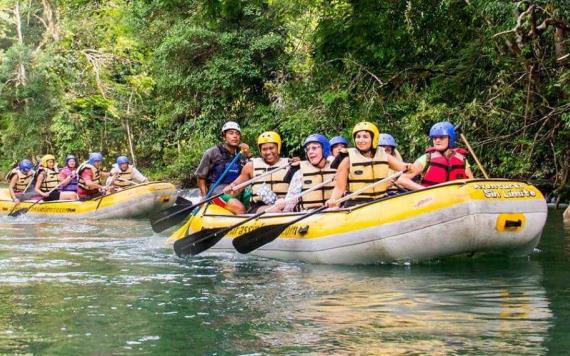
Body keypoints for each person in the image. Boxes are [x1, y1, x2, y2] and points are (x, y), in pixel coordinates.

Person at [325, 122, 416, 208]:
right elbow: (339, 188)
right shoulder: (347, 160)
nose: (361, 140)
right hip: (356, 205)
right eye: (358, 137)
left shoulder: (384, 155)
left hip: (381, 201)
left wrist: (409, 167)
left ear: (373, 139)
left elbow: (402, 167)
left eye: (365, 137)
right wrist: (333, 199)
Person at [223, 131, 291, 214]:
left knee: (281, 209)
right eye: (264, 149)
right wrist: (231, 187)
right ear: (260, 150)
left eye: (271, 148)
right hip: (258, 208)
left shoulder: (289, 164)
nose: (268, 152)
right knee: (275, 210)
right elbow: (237, 185)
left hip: (286, 206)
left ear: (278, 147)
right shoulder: (250, 166)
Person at [274, 134, 336, 212]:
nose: (310, 152)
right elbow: (290, 202)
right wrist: (283, 204)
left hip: (334, 213)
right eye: (308, 149)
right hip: (308, 215)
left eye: (314, 148)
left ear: (324, 149)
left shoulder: (337, 169)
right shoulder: (299, 174)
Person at [405, 122, 474, 190]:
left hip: (458, 198)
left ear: (450, 139)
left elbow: (472, 183)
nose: (437, 140)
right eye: (435, 138)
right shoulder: (426, 158)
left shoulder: (461, 159)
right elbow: (401, 179)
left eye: (442, 137)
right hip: (433, 199)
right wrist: (423, 189)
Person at [195, 121, 251, 197]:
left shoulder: (241, 153)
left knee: (251, 196)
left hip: (236, 187)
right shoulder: (212, 152)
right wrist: (204, 196)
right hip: (217, 189)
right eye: (231, 133)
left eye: (237, 133)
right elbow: (200, 177)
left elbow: (250, 171)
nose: (235, 136)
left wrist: (249, 155)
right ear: (224, 137)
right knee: (238, 207)